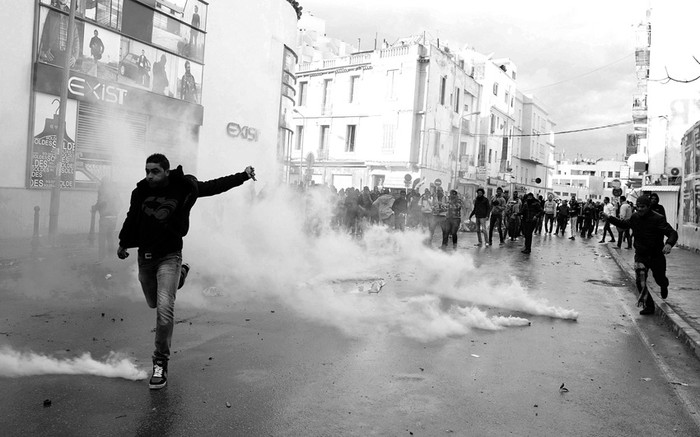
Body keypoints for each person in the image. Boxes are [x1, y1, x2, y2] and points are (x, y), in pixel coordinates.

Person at [117, 153, 255, 389]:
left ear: (166, 172)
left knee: (164, 309)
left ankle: (160, 362)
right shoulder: (140, 192)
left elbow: (213, 187)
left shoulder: (183, 187)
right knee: (152, 302)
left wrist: (242, 175)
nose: (149, 175)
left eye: (155, 171)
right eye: (147, 171)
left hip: (170, 256)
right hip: (146, 258)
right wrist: (123, 242)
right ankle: (182, 274)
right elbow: (132, 218)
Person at [604, 195, 678, 315]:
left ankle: (664, 285)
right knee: (640, 281)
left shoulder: (658, 218)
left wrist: (669, 244)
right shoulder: (635, 217)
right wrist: (609, 218)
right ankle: (649, 306)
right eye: (638, 207)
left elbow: (672, 233)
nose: (640, 209)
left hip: (656, 255)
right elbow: (623, 224)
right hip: (641, 255)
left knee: (659, 278)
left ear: (648, 207)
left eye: (642, 207)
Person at [39, 0, 80, 68]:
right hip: (53, 53)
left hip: (66, 55)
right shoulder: (52, 11)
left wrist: (75, 56)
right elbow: (45, 31)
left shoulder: (70, 13)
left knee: (63, 77)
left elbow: (76, 37)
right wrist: (46, 49)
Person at [92, 177, 120, 263]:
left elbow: (101, 202)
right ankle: (112, 256)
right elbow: (120, 203)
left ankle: (101, 258)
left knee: (102, 238)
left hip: (105, 218)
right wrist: (115, 213)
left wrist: (95, 208)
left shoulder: (102, 190)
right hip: (113, 218)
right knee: (110, 236)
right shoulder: (115, 191)